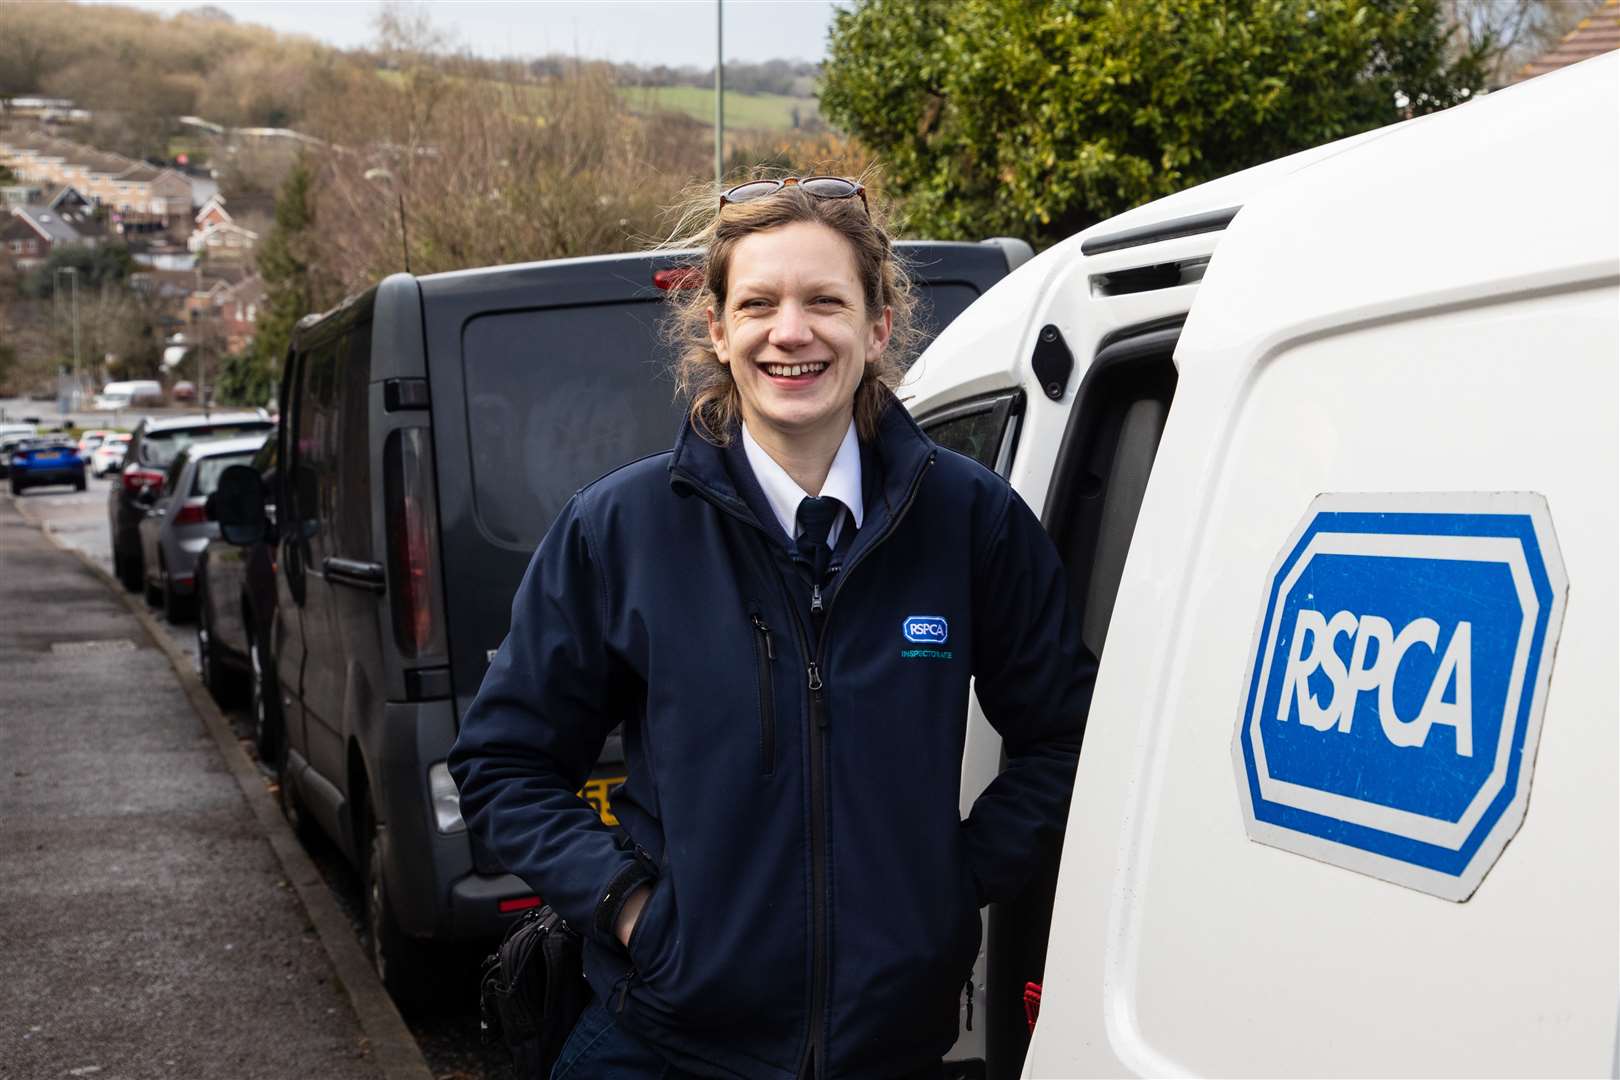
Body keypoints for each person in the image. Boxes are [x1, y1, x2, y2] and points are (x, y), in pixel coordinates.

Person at [448, 173, 1096, 1079]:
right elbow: (503, 764)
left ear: (876, 328)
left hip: (889, 1050)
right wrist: (633, 908)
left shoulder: (969, 520)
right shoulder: (621, 527)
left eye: (825, 301)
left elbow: (1065, 735)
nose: (791, 332)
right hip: (660, 1042)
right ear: (717, 328)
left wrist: (951, 889)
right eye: (758, 303)